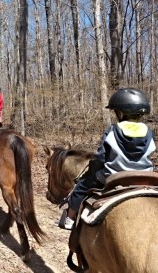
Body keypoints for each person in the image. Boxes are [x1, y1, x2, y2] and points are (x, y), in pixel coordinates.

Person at [58, 87, 156, 230]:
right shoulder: (148, 132)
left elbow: (101, 157)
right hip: (145, 177)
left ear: (120, 112)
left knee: (81, 187)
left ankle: (69, 219)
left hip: (114, 176)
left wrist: (93, 169)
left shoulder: (113, 131)